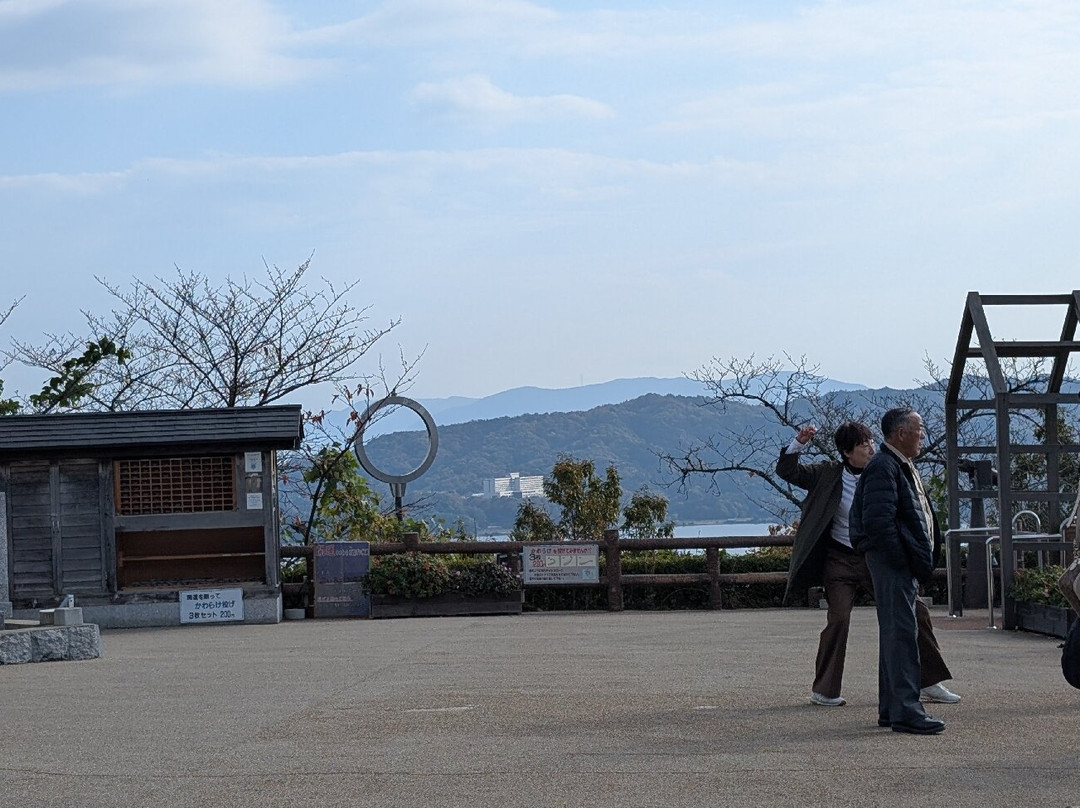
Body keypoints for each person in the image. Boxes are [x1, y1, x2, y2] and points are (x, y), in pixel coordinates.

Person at [778, 422, 959, 709]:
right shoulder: (827, 474)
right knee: (838, 619)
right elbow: (789, 472)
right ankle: (824, 689)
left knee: (915, 610)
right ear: (847, 452)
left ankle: (928, 681)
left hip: (877, 558)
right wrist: (798, 443)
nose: (871, 449)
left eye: (872, 442)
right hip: (839, 560)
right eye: (864, 445)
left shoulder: (885, 470)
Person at [850, 407, 950, 735]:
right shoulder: (884, 466)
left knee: (896, 636)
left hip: (898, 564)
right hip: (893, 564)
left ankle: (892, 709)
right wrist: (903, 559)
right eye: (919, 429)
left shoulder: (897, 465)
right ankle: (906, 711)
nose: (923, 435)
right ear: (900, 433)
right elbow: (878, 523)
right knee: (902, 637)